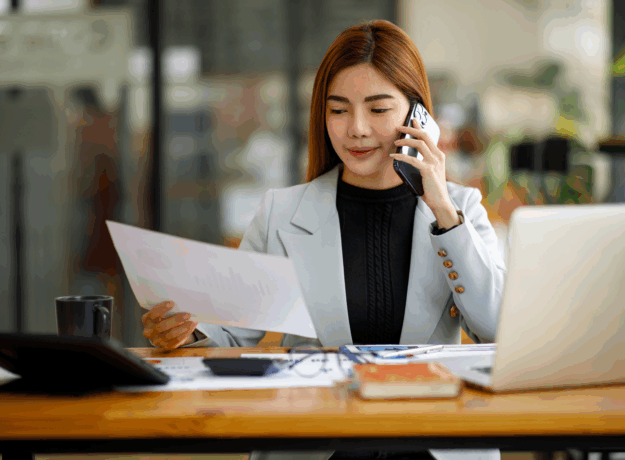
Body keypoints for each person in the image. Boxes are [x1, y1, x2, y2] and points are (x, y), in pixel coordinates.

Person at [142, 20, 505, 460]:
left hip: (429, 441)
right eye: (338, 110)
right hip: (318, 442)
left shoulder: (460, 208)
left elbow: (495, 328)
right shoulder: (282, 212)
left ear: (417, 117)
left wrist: (444, 212)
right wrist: (185, 332)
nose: (355, 128)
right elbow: (231, 335)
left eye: (377, 109)